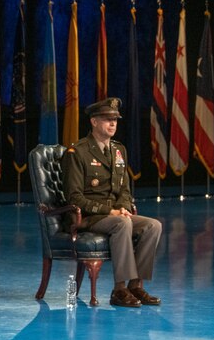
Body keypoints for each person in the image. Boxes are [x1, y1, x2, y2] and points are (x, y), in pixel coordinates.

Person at [62, 97, 162, 308]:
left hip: (115, 214)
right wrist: (111, 211)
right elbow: (75, 198)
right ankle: (119, 289)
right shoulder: (78, 152)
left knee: (153, 226)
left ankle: (135, 286)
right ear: (94, 121)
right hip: (89, 216)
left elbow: (125, 189)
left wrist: (123, 207)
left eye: (115, 119)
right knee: (122, 223)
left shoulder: (118, 150)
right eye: (107, 119)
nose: (113, 123)